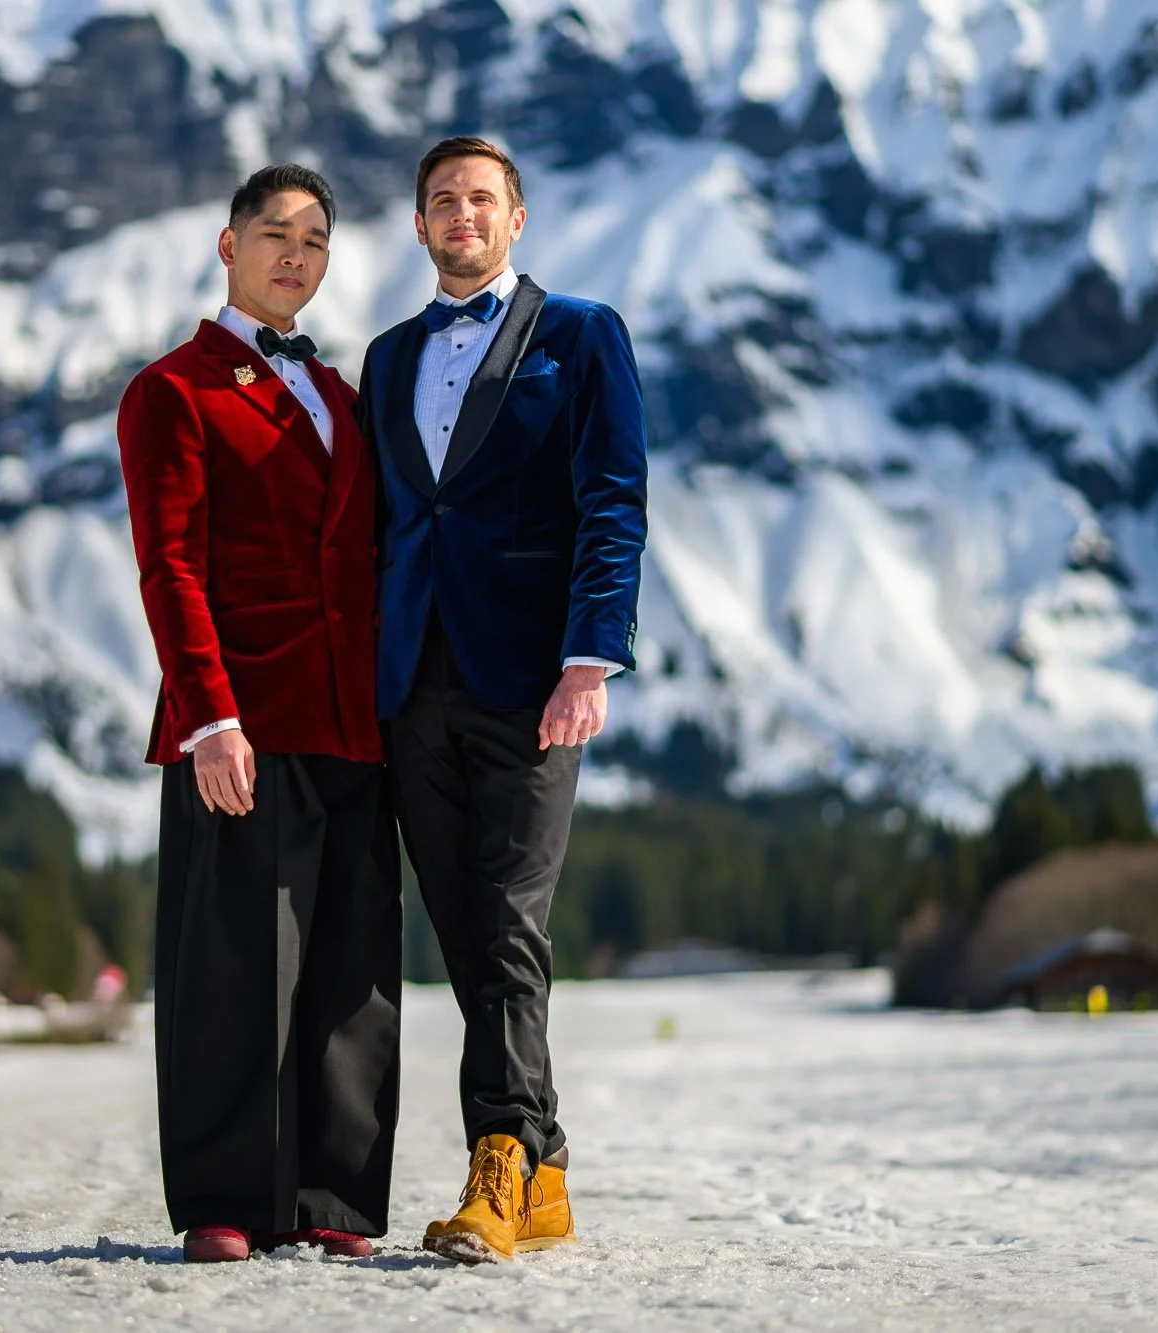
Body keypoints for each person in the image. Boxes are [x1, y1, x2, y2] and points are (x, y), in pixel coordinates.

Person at [357, 137, 648, 1264]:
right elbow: (381, 528)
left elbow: (612, 497)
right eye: (442, 200)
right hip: (409, 684)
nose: (460, 214)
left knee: (508, 927)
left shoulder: (578, 335)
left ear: (515, 218)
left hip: (530, 682)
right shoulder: (385, 359)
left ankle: (497, 1161)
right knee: (468, 936)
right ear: (421, 224)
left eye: (481, 198)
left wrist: (589, 655)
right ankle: (548, 1173)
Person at [117, 163, 400, 1264]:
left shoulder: (340, 398)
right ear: (226, 245)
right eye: (274, 232)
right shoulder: (173, 390)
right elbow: (167, 568)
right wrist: (206, 718)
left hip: (348, 720)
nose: (295, 253)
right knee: (233, 969)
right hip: (238, 722)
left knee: (349, 970)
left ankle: (328, 1201)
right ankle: (227, 1200)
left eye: (315, 239)